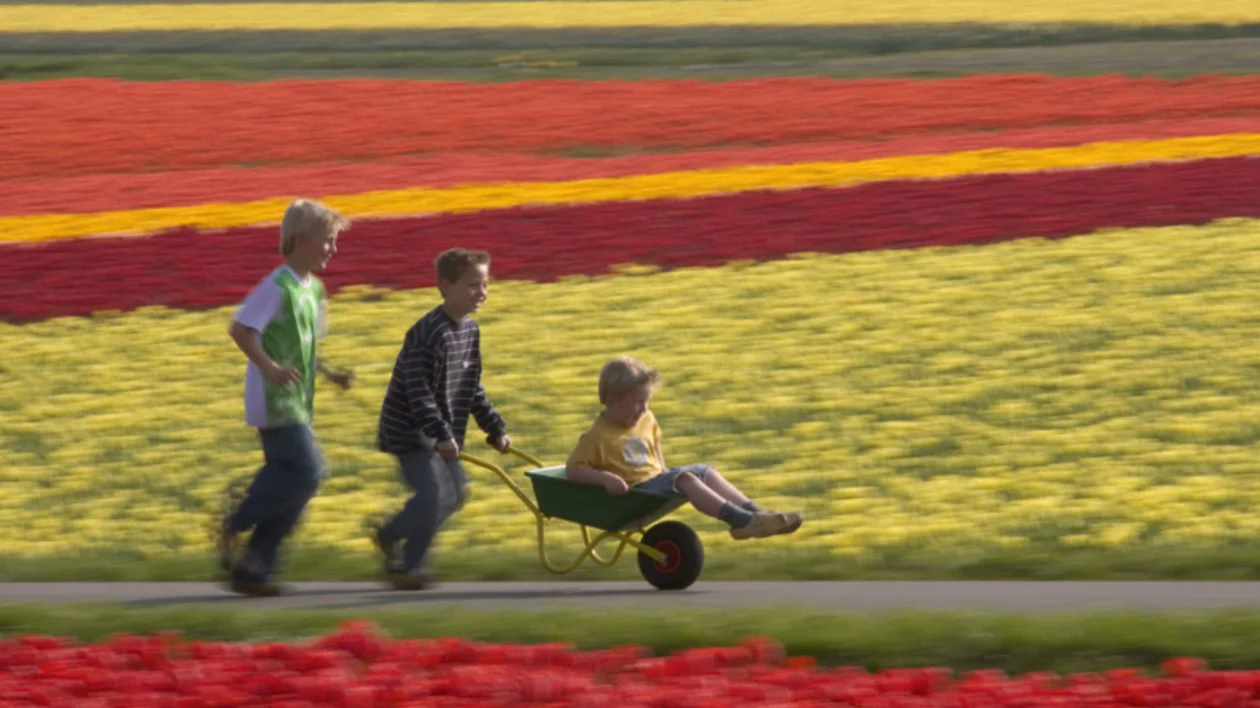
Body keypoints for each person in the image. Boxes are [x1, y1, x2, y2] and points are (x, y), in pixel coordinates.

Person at [217, 198, 356, 597]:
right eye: (326, 241)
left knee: (301, 482)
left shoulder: (315, 290)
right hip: (274, 396)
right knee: (309, 471)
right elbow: (240, 329)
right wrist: (272, 370)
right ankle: (237, 519)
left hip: (297, 397)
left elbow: (307, 347)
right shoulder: (277, 285)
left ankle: (254, 566)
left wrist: (330, 374)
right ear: (298, 241)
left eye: (333, 241)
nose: (332, 249)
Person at [372, 247, 512, 590]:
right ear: (445, 286)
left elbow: (471, 386)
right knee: (435, 495)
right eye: (472, 285)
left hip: (440, 431)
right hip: (410, 431)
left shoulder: (469, 331)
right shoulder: (427, 333)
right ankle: (409, 567)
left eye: (484, 284)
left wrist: (494, 428)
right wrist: (439, 433)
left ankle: (390, 534)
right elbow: (417, 391)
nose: (481, 292)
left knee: (457, 493)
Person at [566, 356, 802, 540]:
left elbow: (654, 441)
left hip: (654, 481)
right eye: (637, 403)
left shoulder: (645, 418)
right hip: (635, 493)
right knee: (685, 478)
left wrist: (662, 468)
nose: (643, 409)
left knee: (706, 471)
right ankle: (739, 521)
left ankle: (756, 515)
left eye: (646, 401)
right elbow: (573, 469)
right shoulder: (596, 437)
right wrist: (605, 478)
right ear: (612, 401)